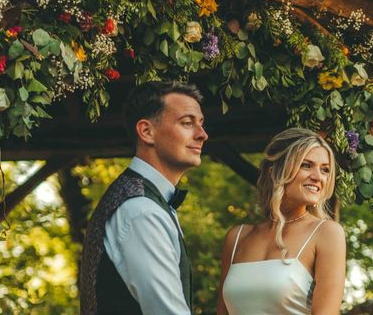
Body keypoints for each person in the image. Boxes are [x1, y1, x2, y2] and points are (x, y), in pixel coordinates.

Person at [80, 81, 208, 315]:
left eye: (201, 124)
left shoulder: (142, 200)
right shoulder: (141, 211)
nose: (202, 135)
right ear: (147, 132)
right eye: (187, 123)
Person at [217, 128, 346, 315]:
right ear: (274, 171)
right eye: (306, 165)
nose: (318, 177)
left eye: (325, 170)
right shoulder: (236, 237)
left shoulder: (327, 233)